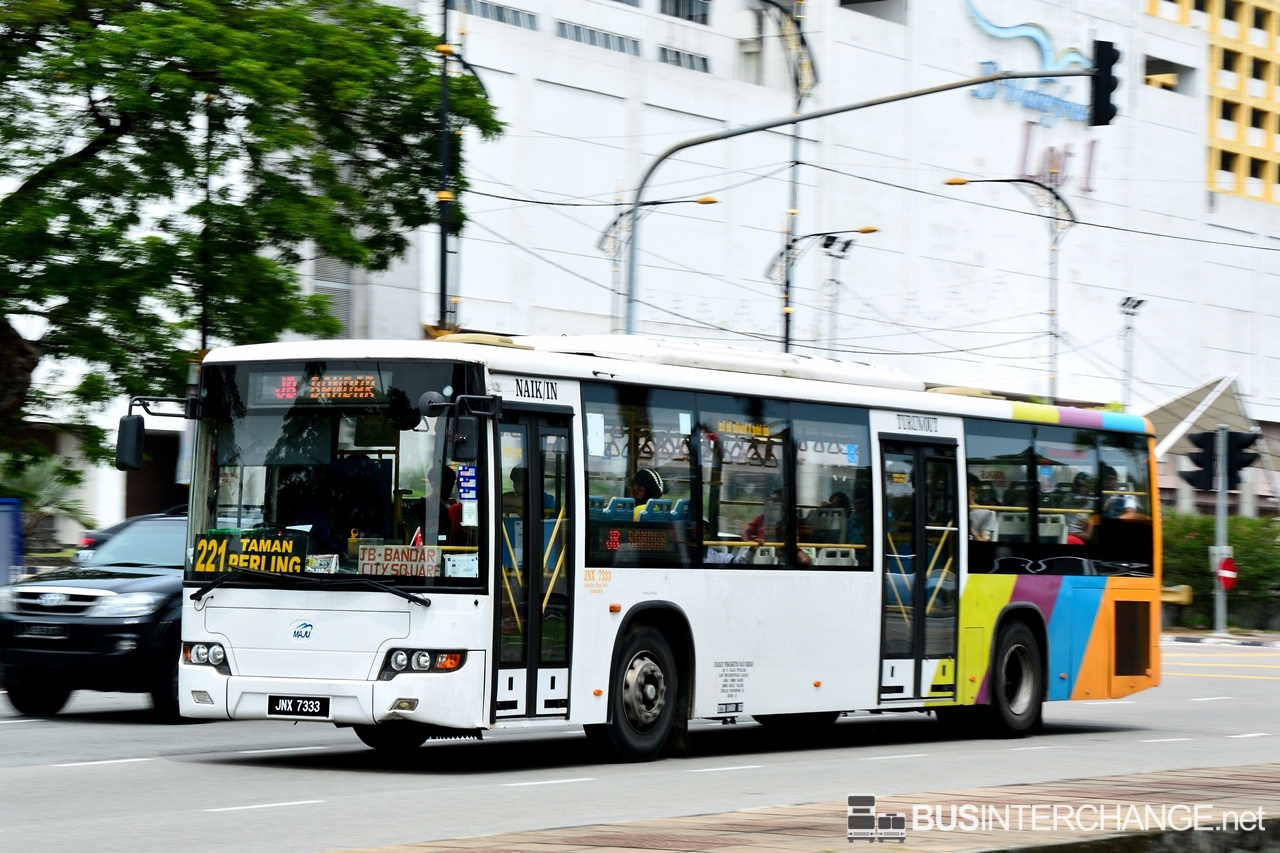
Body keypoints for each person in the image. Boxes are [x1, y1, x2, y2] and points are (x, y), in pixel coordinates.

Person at [967, 474, 996, 542]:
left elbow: (983, 541)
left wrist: (970, 528)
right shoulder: (949, 512)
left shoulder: (987, 514)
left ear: (972, 491)